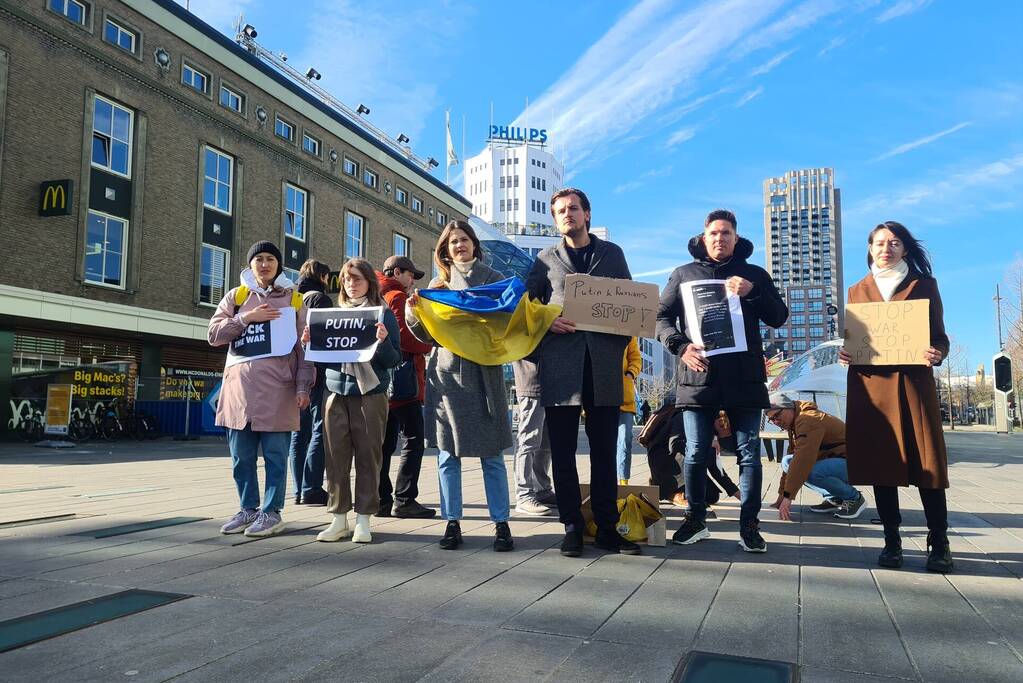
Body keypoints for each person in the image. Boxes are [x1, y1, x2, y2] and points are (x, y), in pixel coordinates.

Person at [656, 209, 788, 552]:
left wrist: (753, 292)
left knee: (748, 454)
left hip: (743, 376)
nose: (719, 238)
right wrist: (680, 346)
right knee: (697, 451)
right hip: (698, 375)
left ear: (736, 238)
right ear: (703, 238)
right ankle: (696, 520)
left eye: (726, 233)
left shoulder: (754, 274)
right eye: (713, 233)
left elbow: (779, 317)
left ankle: (750, 526)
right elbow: (660, 317)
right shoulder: (683, 275)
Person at [525, 187, 641, 557]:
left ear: (587, 214)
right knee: (561, 450)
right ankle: (572, 526)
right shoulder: (544, 259)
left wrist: (616, 346)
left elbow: (632, 307)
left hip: (604, 366)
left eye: (573, 208)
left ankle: (607, 527)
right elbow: (526, 311)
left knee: (604, 452)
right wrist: (547, 323)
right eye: (559, 210)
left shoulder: (612, 254)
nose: (566, 214)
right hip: (560, 367)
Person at [839, 221, 952, 573]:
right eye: (879, 243)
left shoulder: (924, 285)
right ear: (870, 248)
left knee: (927, 464)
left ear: (905, 249)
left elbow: (940, 337)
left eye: (894, 243)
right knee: (882, 465)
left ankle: (940, 540)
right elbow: (855, 340)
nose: (886, 249)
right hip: (872, 387)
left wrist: (937, 352)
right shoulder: (857, 290)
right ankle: (892, 540)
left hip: (914, 385)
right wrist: (847, 352)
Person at [406, 220, 514, 552]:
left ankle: (501, 524)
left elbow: (509, 323)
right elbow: (425, 337)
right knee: (447, 455)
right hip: (447, 377)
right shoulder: (438, 286)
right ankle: (452, 522)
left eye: (464, 239)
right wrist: (414, 314)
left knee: (491, 454)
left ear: (474, 245)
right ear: (444, 249)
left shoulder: (495, 281)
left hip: (484, 378)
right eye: (452, 242)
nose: (459, 245)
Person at [209, 241, 313, 537]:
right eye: (259, 259)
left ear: (279, 265)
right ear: (250, 264)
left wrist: (303, 386)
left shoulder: (295, 301)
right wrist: (245, 318)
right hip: (238, 393)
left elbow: (304, 350)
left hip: (278, 392)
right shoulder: (237, 297)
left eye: (270, 259)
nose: (264, 264)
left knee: (275, 457)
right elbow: (213, 335)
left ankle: (271, 513)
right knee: (241, 458)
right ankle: (248, 509)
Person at [311, 258, 401, 544]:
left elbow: (394, 359)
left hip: (371, 393)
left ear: (369, 283)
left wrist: (384, 342)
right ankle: (338, 518)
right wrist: (309, 342)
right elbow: (324, 359)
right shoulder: (333, 315)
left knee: (368, 457)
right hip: (336, 392)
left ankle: (364, 519)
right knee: (335, 458)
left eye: (357, 279)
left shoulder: (383, 315)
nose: (351, 284)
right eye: (347, 280)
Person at [376, 255, 436, 519]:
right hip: (402, 381)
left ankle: (381, 500)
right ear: (398, 272)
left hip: (380, 381)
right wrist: (429, 344)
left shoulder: (376, 294)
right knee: (413, 439)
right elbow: (404, 338)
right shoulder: (396, 297)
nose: (412, 281)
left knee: (383, 443)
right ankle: (405, 499)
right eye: (411, 275)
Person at [764, 393, 866, 521]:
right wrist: (781, 497)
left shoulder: (807, 420)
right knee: (787, 462)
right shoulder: (794, 423)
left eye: (777, 415)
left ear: (788, 407)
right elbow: (794, 460)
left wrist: (788, 498)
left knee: (809, 471)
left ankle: (854, 498)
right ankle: (835, 498)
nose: (775, 422)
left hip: (857, 462)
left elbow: (802, 460)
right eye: (771, 420)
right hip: (838, 459)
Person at [289, 259, 332, 507]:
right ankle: (312, 487)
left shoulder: (292, 298)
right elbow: (323, 337)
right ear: (323, 276)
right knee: (319, 429)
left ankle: (297, 490)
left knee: (298, 432)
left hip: (293, 369)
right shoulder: (320, 299)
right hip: (316, 370)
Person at [512, 351, 557, 516]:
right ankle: (524, 495)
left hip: (550, 382)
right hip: (531, 378)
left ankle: (542, 490)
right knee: (528, 440)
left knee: (546, 444)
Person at [617, 337, 642, 484]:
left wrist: (630, 373)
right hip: (600, 396)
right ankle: (604, 482)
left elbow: (636, 358)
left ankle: (623, 481)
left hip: (624, 397)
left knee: (625, 440)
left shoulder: (629, 332)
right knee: (602, 443)